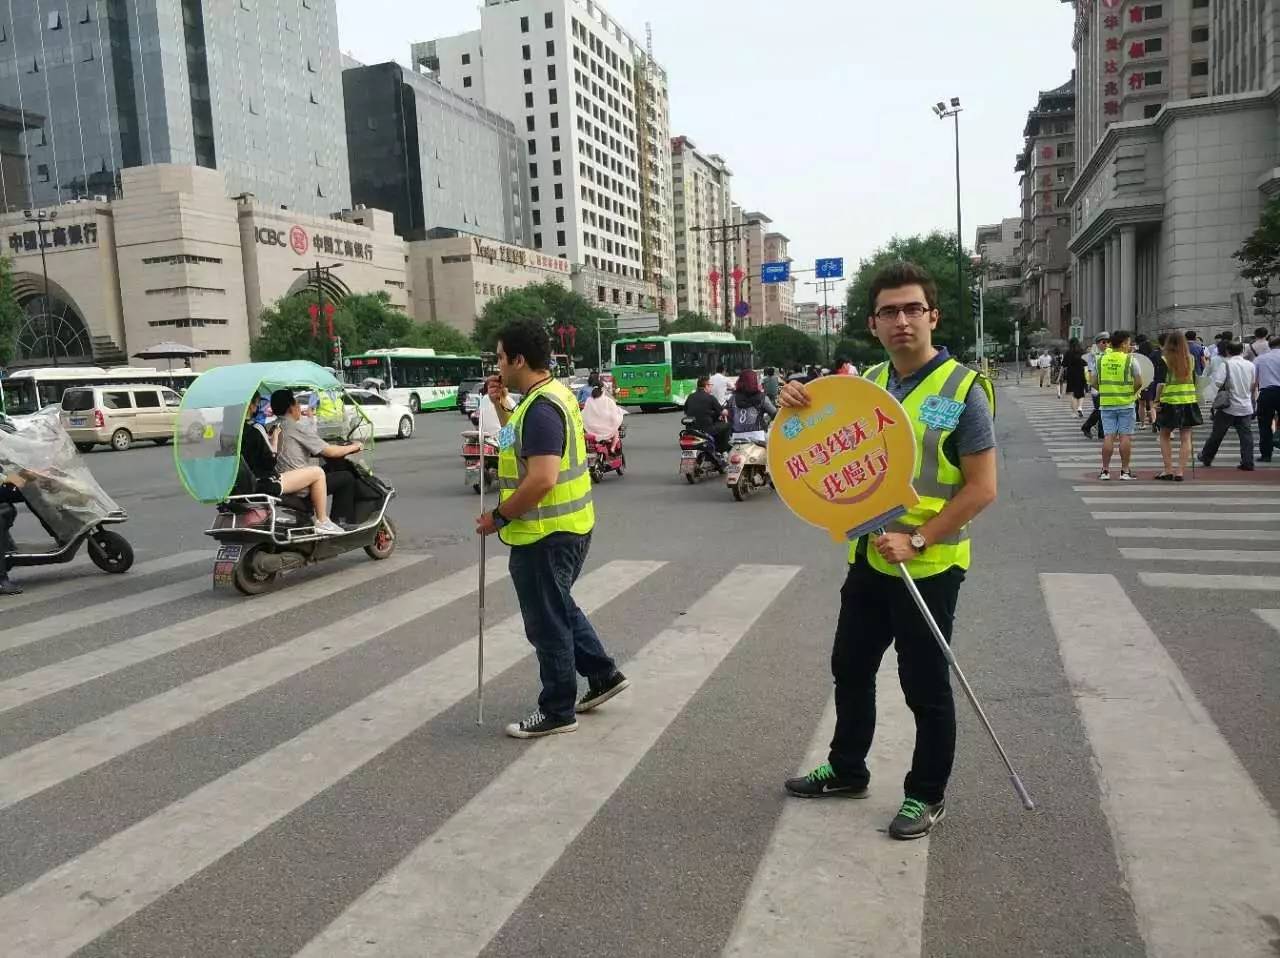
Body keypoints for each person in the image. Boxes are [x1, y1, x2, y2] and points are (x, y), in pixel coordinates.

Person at [779, 261, 997, 841]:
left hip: (929, 563)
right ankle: (847, 769)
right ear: (873, 324)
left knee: (924, 687)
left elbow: (982, 488)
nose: (902, 321)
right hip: (871, 557)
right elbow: (820, 440)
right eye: (888, 312)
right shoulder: (865, 383)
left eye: (912, 309)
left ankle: (925, 795)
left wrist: (921, 537)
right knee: (850, 667)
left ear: (933, 316)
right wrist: (796, 406)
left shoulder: (961, 390)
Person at [476, 319, 628, 739]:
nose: (498, 364)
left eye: (501, 357)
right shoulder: (547, 397)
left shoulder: (542, 407)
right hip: (565, 527)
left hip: (546, 533)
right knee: (558, 606)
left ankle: (558, 709)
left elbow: (541, 479)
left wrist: (499, 516)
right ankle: (602, 674)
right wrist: (502, 404)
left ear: (519, 359)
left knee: (546, 621)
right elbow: (515, 442)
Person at [240, 398, 345, 535]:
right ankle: (322, 521)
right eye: (257, 403)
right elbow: (270, 461)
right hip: (266, 482)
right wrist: (275, 439)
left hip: (245, 483)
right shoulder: (256, 428)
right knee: (318, 472)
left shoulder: (230, 433)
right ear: (251, 406)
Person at [270, 389, 364, 525]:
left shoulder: (272, 427)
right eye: (297, 404)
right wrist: (355, 446)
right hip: (299, 485)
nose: (299, 408)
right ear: (291, 407)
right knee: (346, 477)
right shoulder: (296, 428)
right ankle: (340, 522)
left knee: (328, 468)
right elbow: (330, 452)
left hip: (281, 480)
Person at [1200, 339, 1259, 471]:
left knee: (1217, 434)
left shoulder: (1226, 365)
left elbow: (1218, 383)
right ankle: (1248, 462)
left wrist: (1208, 396)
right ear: (1242, 351)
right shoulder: (1250, 365)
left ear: (1227, 351)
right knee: (1246, 436)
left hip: (1228, 406)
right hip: (1245, 405)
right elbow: (1253, 384)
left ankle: (1206, 457)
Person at [1092, 329, 1142, 481]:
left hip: (1107, 404)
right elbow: (1139, 382)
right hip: (1126, 404)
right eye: (1128, 343)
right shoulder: (1130, 360)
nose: (1129, 346)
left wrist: (1106, 391)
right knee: (1125, 436)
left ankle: (1105, 471)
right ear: (1123, 343)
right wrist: (1130, 393)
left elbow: (1093, 382)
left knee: (1108, 436)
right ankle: (1125, 471)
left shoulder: (1100, 360)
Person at [1154, 331, 1203, 481]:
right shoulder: (1191, 359)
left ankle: (1168, 470)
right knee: (1186, 437)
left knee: (1164, 435)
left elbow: (1161, 383)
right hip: (1188, 400)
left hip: (1169, 401)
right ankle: (1180, 472)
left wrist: (1156, 401)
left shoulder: (1164, 359)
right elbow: (1195, 380)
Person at [726, 368, 776, 443]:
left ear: (740, 381)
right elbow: (774, 413)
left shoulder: (732, 398)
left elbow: (729, 417)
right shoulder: (762, 397)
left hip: (736, 438)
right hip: (758, 438)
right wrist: (766, 421)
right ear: (755, 381)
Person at [684, 376, 730, 452]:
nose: (711, 387)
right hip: (706, 429)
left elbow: (686, 410)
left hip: (691, 429)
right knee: (727, 425)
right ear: (706, 386)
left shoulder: (690, 396)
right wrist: (727, 411)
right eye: (711, 385)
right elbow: (723, 412)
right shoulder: (710, 397)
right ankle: (722, 449)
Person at [1254, 336, 1280, 462]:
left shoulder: (1260, 359)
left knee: (1264, 425)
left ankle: (1266, 454)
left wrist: (1252, 398)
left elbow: (1255, 380)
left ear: (1270, 346)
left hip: (1266, 393)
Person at [1081, 333, 1110, 439]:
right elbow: (1092, 371)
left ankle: (1101, 433)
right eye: (1103, 342)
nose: (1106, 344)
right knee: (1100, 409)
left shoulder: (1109, 353)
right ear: (1097, 343)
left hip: (1107, 385)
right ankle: (1087, 426)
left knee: (1104, 409)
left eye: (1108, 342)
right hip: (1096, 385)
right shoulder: (1093, 355)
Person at [1063, 339, 1088, 417]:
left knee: (1073, 394)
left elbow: (1064, 364)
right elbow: (1086, 363)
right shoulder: (1082, 352)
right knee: (1081, 393)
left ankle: (1074, 413)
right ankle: (1080, 407)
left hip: (1071, 374)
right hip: (1081, 374)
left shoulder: (1068, 353)